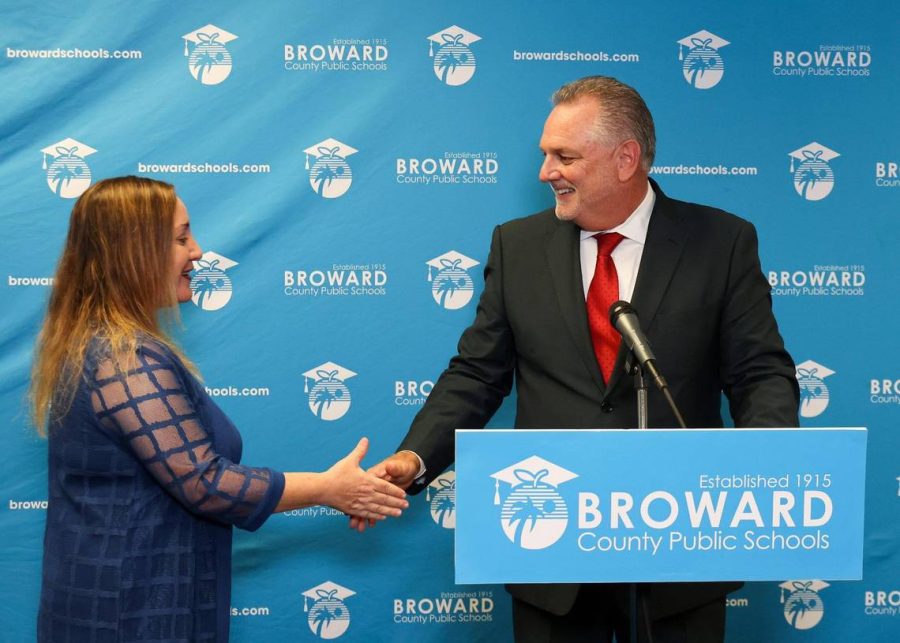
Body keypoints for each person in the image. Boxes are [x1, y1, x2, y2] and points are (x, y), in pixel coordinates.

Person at [353, 76, 800, 642]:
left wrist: (766, 465)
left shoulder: (722, 241)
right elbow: (476, 375)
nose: (546, 172)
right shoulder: (517, 247)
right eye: (545, 155)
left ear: (625, 159)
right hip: (551, 549)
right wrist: (414, 458)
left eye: (564, 156)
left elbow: (759, 373)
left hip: (679, 547)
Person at [30, 176, 408, 642]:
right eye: (181, 237)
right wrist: (328, 488)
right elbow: (205, 482)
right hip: (130, 615)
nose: (198, 251)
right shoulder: (123, 358)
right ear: (134, 251)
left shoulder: (109, 347)